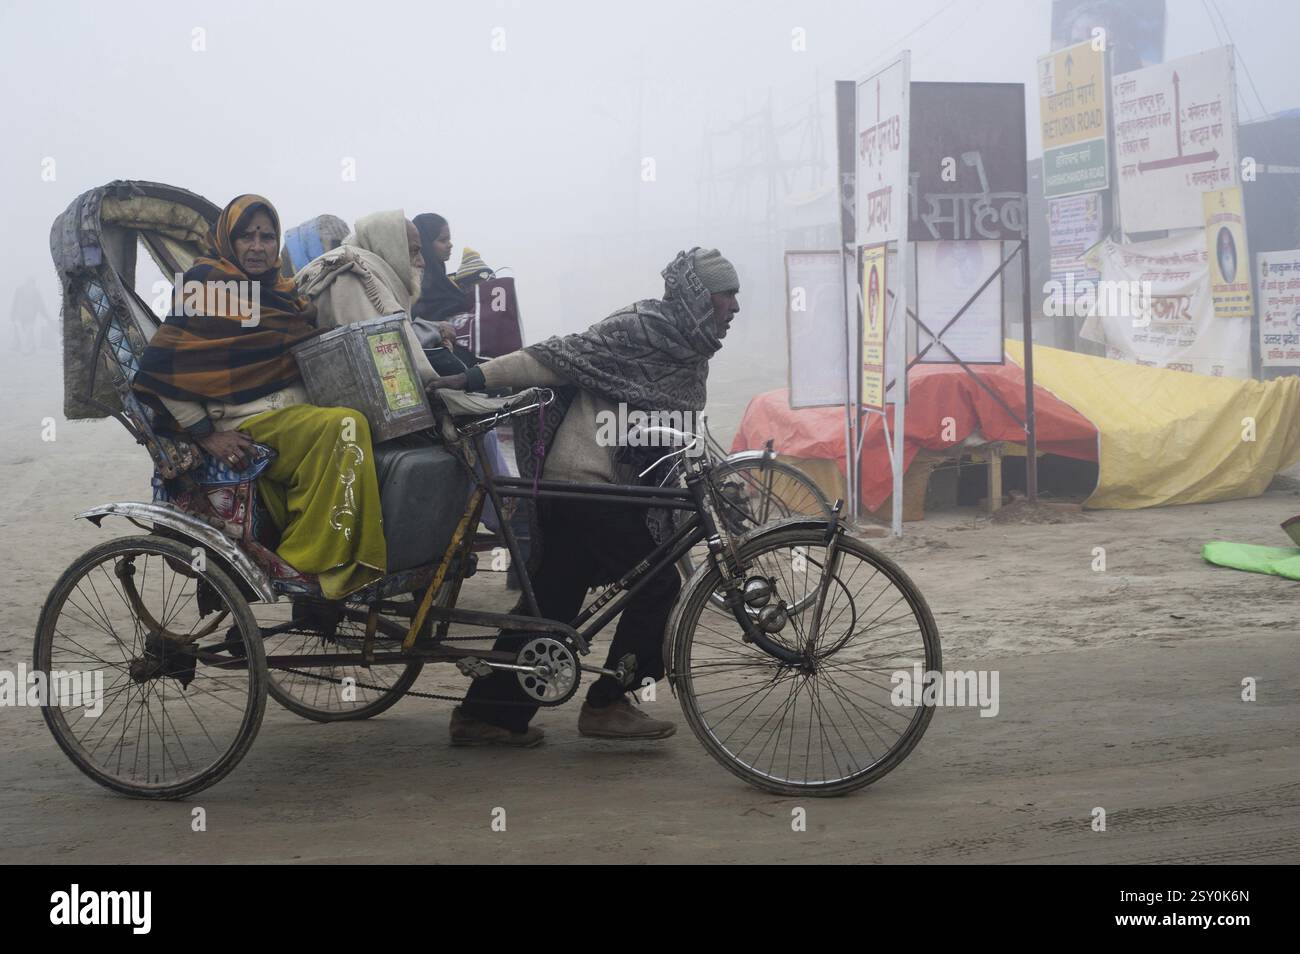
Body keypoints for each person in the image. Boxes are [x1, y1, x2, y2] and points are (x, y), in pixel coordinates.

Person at [431, 247, 741, 746]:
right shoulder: (638, 328)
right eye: (726, 295)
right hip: (585, 481)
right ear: (697, 298)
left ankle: (487, 716)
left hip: (605, 489)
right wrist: (470, 379)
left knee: (554, 601)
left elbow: (670, 430)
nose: (734, 307)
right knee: (658, 587)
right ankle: (608, 702)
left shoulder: (689, 349)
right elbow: (553, 358)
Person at [132, 194, 387, 600]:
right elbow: (162, 370)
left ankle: (344, 556)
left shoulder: (283, 292)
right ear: (228, 242)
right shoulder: (208, 286)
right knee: (345, 425)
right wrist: (204, 434)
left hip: (294, 418)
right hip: (246, 420)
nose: (257, 246)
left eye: (267, 237)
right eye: (246, 236)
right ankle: (305, 560)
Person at [295, 209, 455, 379]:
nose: (422, 262)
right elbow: (388, 365)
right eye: (414, 251)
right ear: (391, 249)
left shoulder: (368, 270)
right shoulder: (351, 277)